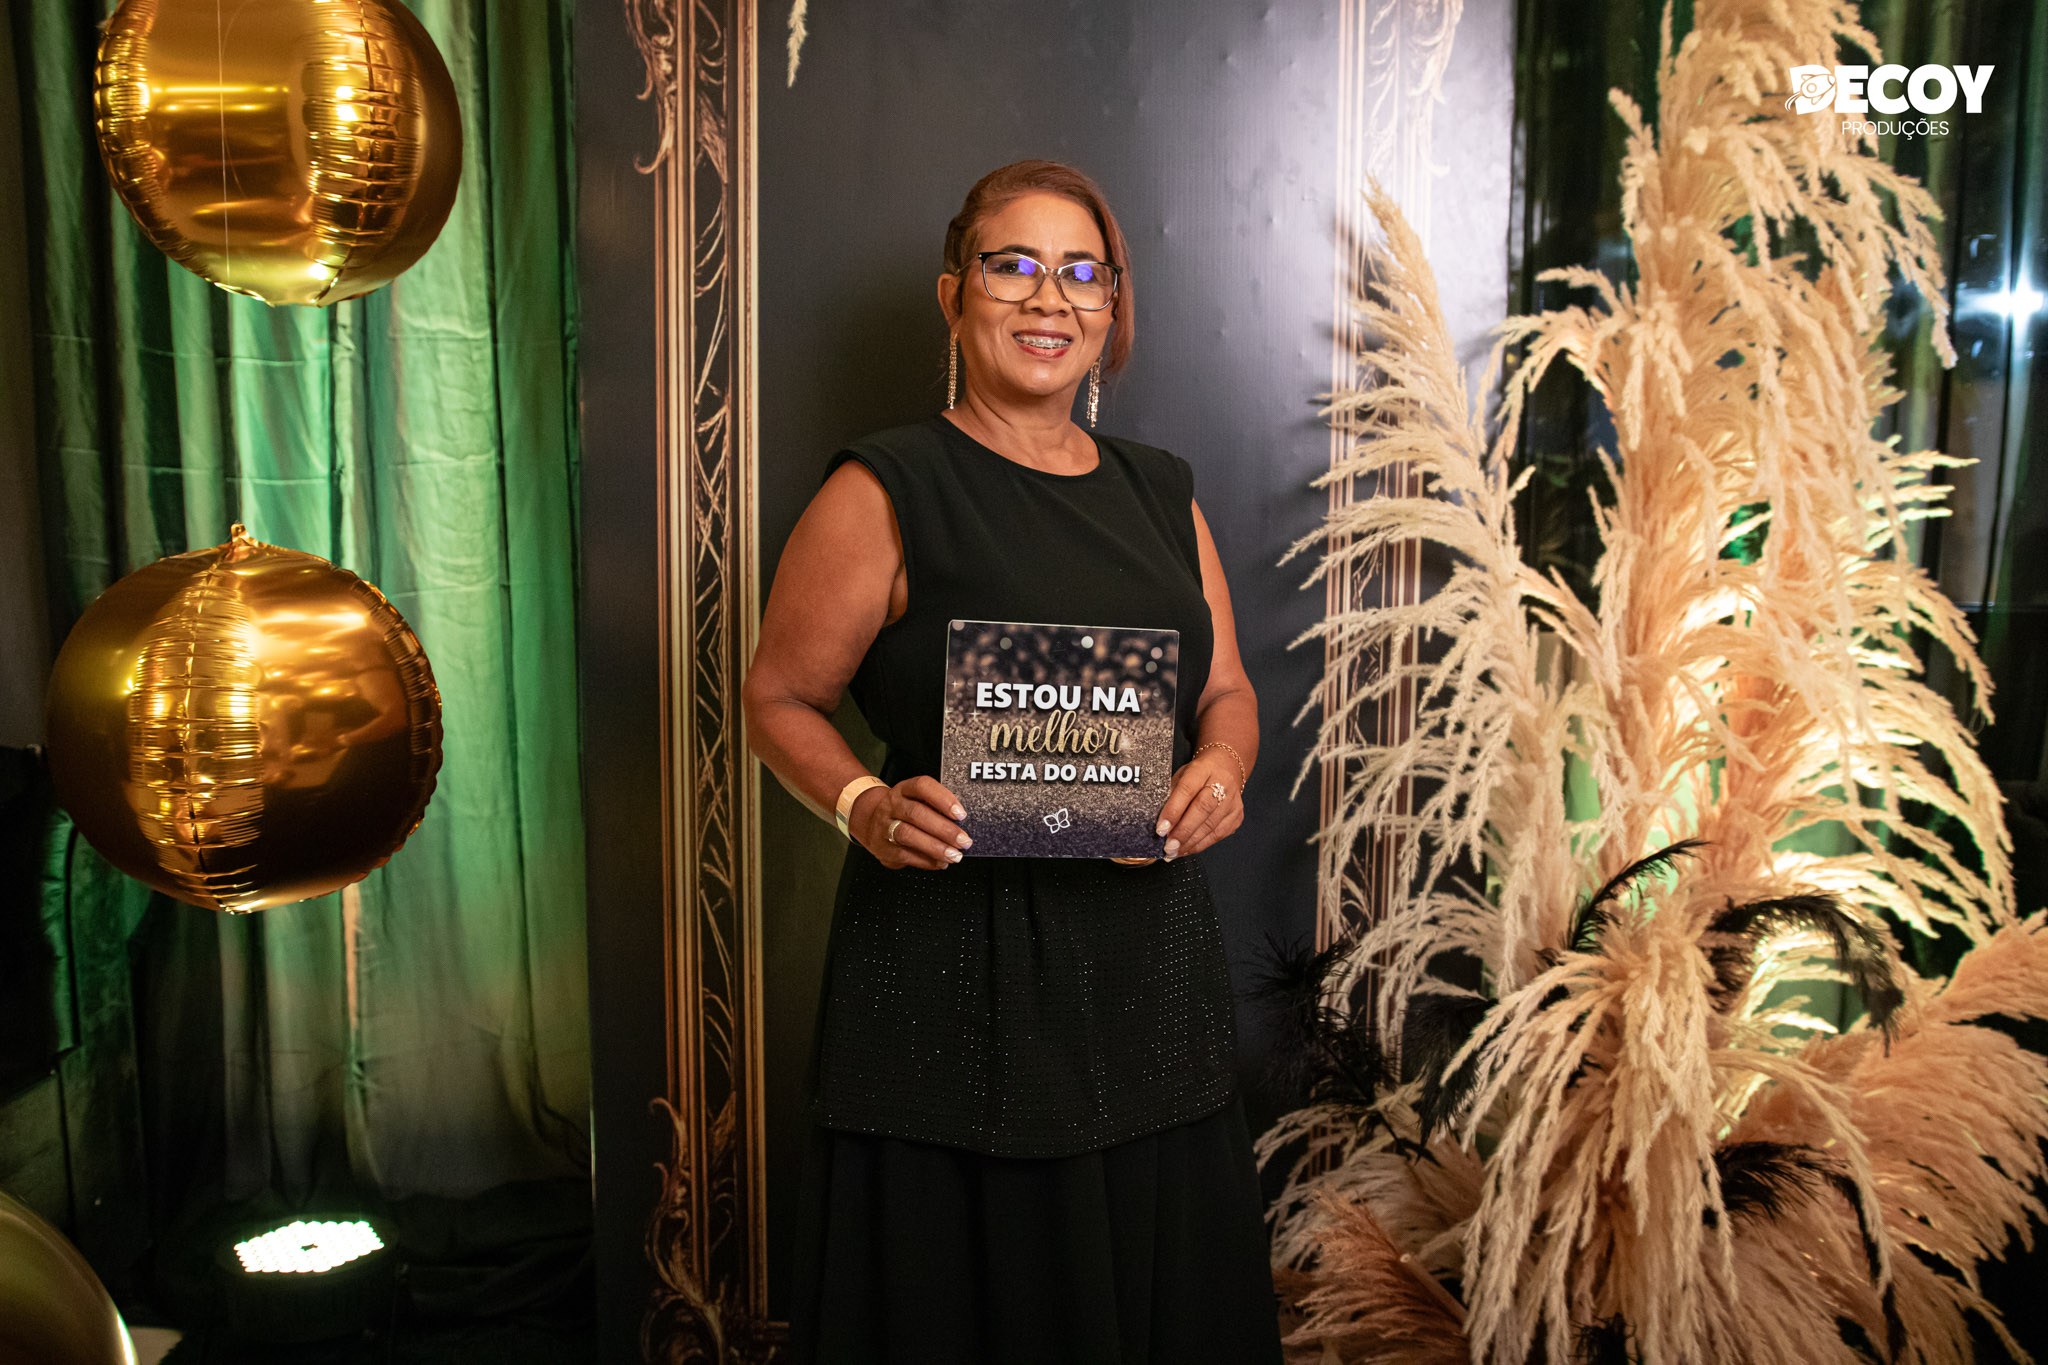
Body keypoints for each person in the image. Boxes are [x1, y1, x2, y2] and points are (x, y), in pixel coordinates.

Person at [742, 159, 1283, 1364]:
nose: (1050, 298)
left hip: (1145, 980)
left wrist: (1221, 769)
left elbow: (1227, 692)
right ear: (954, 295)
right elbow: (777, 696)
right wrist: (861, 803)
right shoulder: (884, 487)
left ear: (1110, 307)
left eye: (1082, 272)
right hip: (948, 977)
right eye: (1013, 266)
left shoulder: (1161, 493)